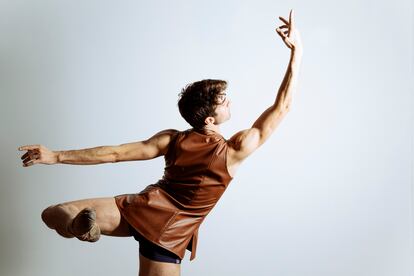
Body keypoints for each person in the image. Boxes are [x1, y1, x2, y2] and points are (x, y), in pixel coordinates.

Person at [18, 9, 302, 276]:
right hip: (170, 234)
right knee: (54, 214)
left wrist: (55, 156)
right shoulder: (235, 150)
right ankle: (81, 227)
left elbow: (116, 154)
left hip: (139, 207)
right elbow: (282, 107)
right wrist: (296, 52)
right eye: (221, 101)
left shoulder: (171, 139)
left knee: (55, 213)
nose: (228, 101)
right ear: (209, 120)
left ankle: (79, 227)